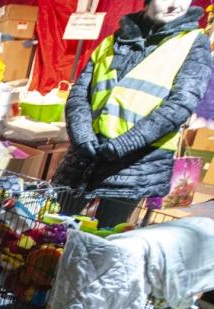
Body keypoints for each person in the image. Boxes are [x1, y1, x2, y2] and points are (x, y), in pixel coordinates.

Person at [53, 0, 212, 227]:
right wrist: (82, 134)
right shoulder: (113, 40)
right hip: (85, 157)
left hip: (134, 165)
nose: (175, 5)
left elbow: (181, 104)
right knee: (49, 231)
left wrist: (125, 143)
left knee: (103, 242)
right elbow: (80, 93)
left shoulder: (193, 44)